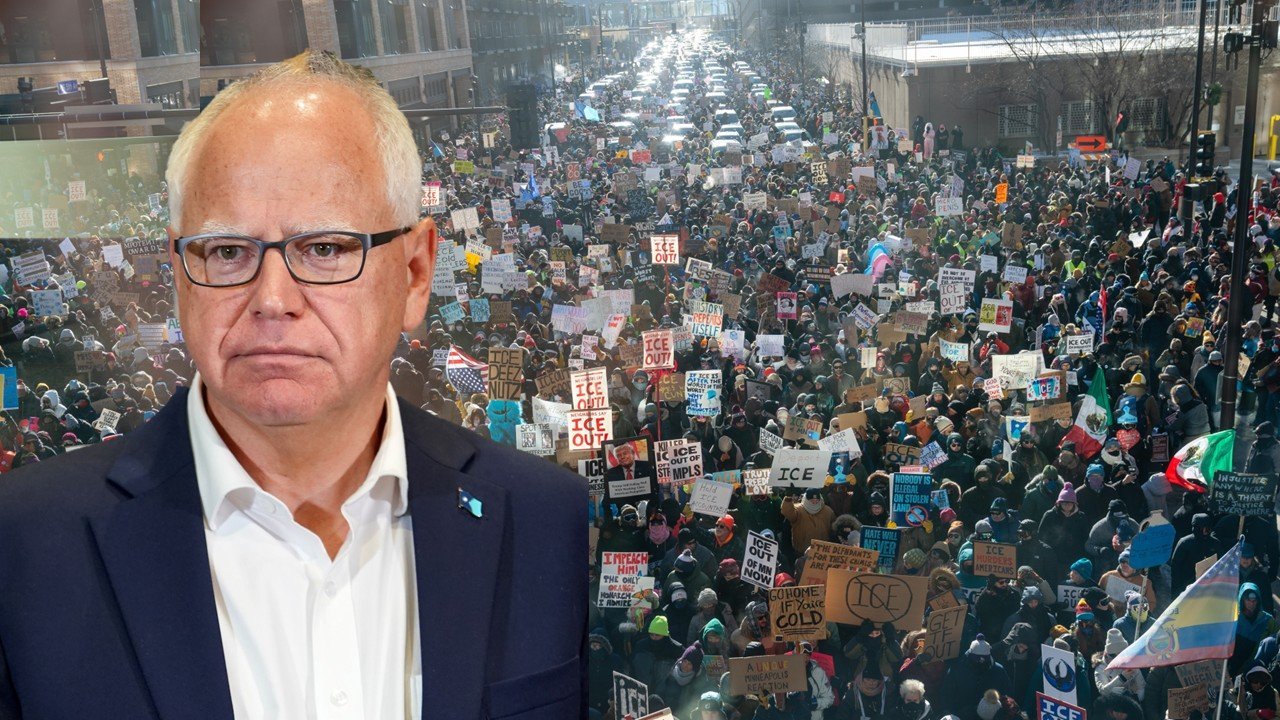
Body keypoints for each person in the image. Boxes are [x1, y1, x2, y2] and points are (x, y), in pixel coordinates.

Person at [0, 51, 586, 718]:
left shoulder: (548, 518)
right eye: (226, 252)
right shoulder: (22, 546)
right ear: (177, 272)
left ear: (417, 272)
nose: (272, 298)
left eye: (326, 249)